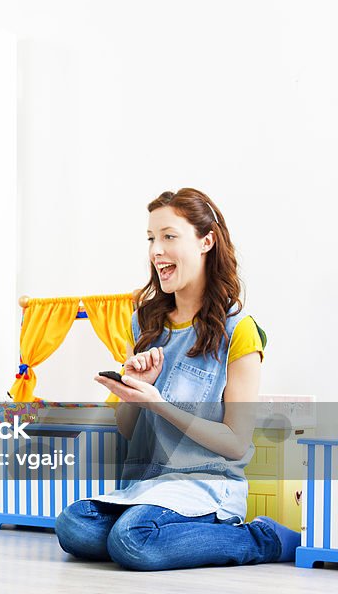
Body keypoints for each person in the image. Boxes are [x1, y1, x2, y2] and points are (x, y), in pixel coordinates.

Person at [54, 188, 300, 570]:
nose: (156, 250)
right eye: (151, 239)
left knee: (133, 541)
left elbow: (235, 444)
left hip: (206, 489)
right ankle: (148, 532)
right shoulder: (145, 323)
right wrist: (133, 391)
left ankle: (261, 539)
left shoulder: (239, 332)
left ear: (206, 241)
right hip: (148, 486)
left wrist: (160, 404)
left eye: (169, 236)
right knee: (73, 525)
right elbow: (127, 427)